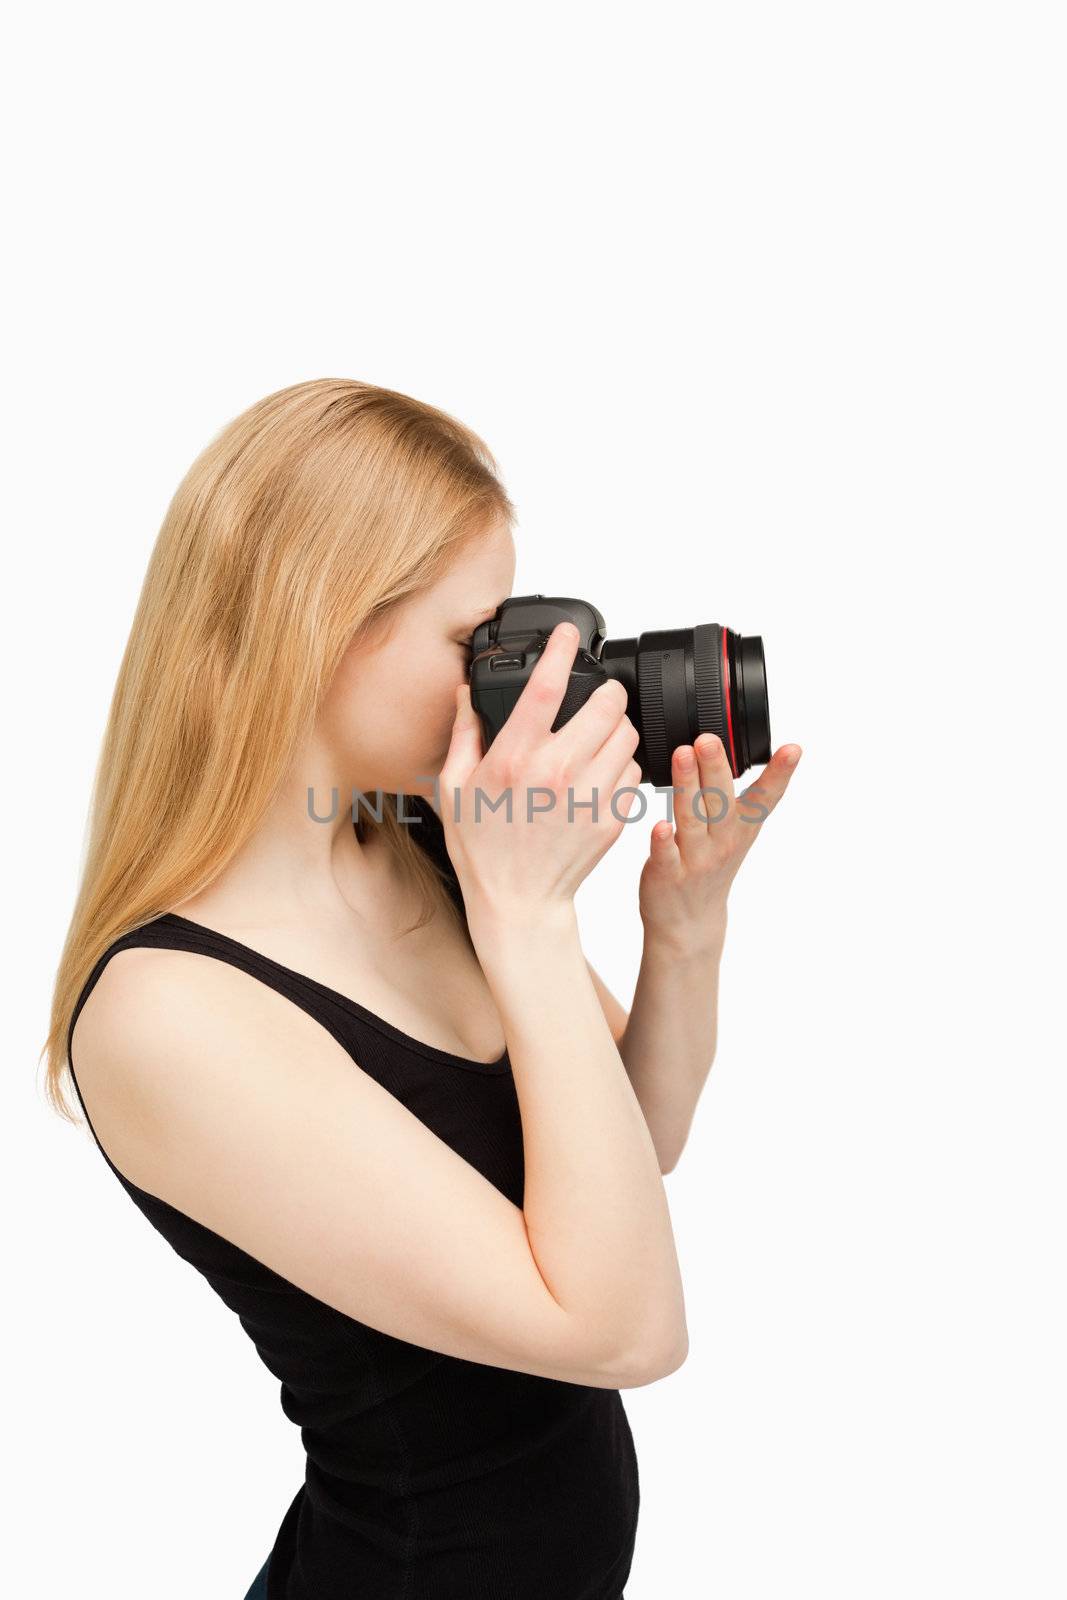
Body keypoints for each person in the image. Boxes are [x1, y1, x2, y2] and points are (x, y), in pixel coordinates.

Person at [41, 378, 802, 1599]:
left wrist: (683, 931)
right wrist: (530, 916)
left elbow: (630, 1148)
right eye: (475, 641)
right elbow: (626, 1329)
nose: (518, 683)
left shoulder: (420, 849)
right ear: (316, 626)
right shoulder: (167, 1012)